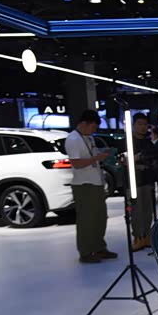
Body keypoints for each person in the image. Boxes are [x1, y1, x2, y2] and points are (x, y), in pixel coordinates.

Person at [64, 109, 116, 264]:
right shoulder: (73, 139)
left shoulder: (88, 137)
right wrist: (96, 158)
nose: (94, 130)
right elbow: (76, 163)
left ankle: (99, 247)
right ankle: (86, 252)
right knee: (86, 220)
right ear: (84, 124)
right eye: (93, 127)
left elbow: (90, 156)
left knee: (100, 217)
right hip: (84, 185)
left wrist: (101, 154)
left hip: (96, 183)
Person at [129, 113, 158, 252]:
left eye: (145, 124)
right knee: (136, 211)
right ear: (134, 125)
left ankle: (146, 236)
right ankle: (138, 237)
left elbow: (155, 156)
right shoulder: (128, 142)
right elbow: (124, 160)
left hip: (147, 180)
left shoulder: (148, 142)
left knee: (147, 210)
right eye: (139, 124)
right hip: (133, 182)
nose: (142, 127)